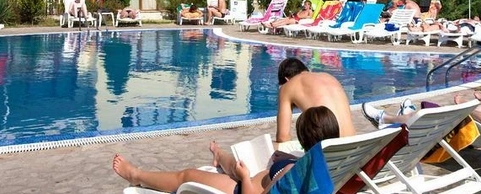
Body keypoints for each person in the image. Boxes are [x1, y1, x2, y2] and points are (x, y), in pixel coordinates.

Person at [112, 106, 340, 194]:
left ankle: (136, 175)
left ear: (303, 137)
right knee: (234, 163)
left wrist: (245, 179)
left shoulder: (294, 171)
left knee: (186, 175)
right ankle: (218, 155)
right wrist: (287, 159)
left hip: (243, 188)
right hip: (256, 177)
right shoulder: (329, 161)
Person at [275, 57, 355, 143]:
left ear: (286, 80)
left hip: (328, 148)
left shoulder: (288, 86)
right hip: (354, 144)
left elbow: (282, 137)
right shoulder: (328, 77)